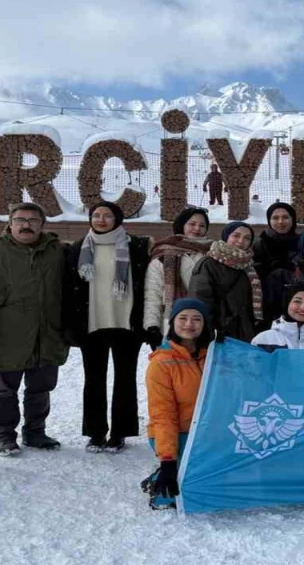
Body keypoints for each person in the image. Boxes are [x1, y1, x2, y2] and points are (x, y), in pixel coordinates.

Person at [0, 202, 69, 457]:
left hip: (47, 332)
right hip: (6, 332)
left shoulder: (57, 251)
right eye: (20, 220)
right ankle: (5, 435)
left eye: (33, 220)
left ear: (42, 225)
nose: (26, 225)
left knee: (41, 386)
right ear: (10, 223)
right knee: (6, 389)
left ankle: (35, 432)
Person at [63, 201, 152, 453]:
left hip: (127, 324)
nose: (101, 220)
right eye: (96, 215)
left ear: (117, 219)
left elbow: (147, 282)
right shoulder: (78, 248)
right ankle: (96, 432)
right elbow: (69, 288)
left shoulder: (136, 246)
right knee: (93, 380)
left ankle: (120, 432)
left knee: (125, 379)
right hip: (92, 324)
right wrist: (70, 325)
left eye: (107, 216)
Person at [143, 298, 214, 510]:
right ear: (172, 322)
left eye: (196, 319)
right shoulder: (161, 363)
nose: (189, 324)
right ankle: (158, 482)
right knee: (181, 489)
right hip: (177, 433)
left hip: (208, 433)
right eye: (183, 318)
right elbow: (163, 415)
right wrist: (168, 461)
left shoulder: (214, 356)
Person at [143, 207, 211, 346]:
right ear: (181, 225)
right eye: (192, 224)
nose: (197, 228)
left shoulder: (214, 254)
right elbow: (153, 294)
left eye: (202, 225)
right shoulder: (163, 256)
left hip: (205, 325)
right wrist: (152, 326)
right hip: (170, 324)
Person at [190, 222, 263, 342]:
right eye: (236, 236)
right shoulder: (208, 264)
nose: (241, 241)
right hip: (218, 333)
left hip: (245, 332)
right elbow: (200, 301)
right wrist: (210, 332)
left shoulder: (249, 268)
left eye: (247, 238)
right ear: (226, 237)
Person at [252, 201, 299, 279]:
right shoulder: (260, 245)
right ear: (269, 220)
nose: (280, 222)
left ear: (293, 219)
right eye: (275, 218)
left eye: (285, 217)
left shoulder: (302, 243)